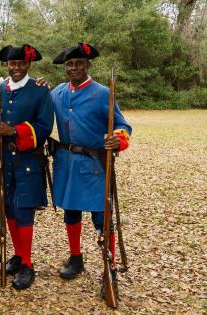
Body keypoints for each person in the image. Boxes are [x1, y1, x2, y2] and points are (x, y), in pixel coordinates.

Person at [50, 43, 131, 288]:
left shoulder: (103, 93)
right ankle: (76, 257)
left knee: (101, 216)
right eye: (70, 64)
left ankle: (110, 267)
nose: (74, 67)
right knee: (71, 212)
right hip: (66, 163)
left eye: (79, 63)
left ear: (88, 65)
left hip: (95, 164)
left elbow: (123, 125)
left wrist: (118, 139)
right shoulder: (57, 92)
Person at [0, 44, 54, 290]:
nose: (16, 68)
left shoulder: (39, 91)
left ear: (28, 65)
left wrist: (15, 130)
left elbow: (45, 125)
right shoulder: (0, 90)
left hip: (28, 161)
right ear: (7, 65)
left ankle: (27, 264)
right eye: (11, 64)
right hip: (3, 160)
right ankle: (17, 254)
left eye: (20, 64)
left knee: (24, 210)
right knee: (9, 209)